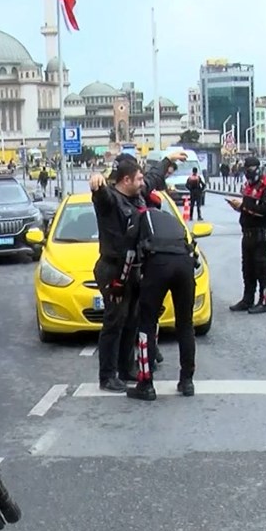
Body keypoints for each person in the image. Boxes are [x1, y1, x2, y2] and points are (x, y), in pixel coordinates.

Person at [88, 152, 185, 392]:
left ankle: (126, 367)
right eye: (138, 179)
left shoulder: (138, 193)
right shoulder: (110, 201)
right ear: (126, 180)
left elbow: (153, 176)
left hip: (135, 268)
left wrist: (167, 160)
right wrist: (97, 182)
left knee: (132, 319)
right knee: (115, 321)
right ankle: (107, 375)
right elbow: (100, 196)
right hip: (113, 269)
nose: (143, 183)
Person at [122, 200, 201, 401]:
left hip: (159, 264)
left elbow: (130, 254)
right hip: (184, 265)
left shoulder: (140, 217)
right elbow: (194, 253)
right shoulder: (172, 219)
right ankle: (187, 381)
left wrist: (120, 281)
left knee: (146, 324)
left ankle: (145, 384)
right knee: (185, 324)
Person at [227, 156, 266, 314]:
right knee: (247, 269)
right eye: (245, 170)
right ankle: (247, 299)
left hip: (261, 234)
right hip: (247, 234)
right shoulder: (248, 186)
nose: (247, 173)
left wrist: (244, 206)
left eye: (249, 170)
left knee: (261, 269)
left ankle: (265, 301)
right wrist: (239, 207)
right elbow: (248, 208)